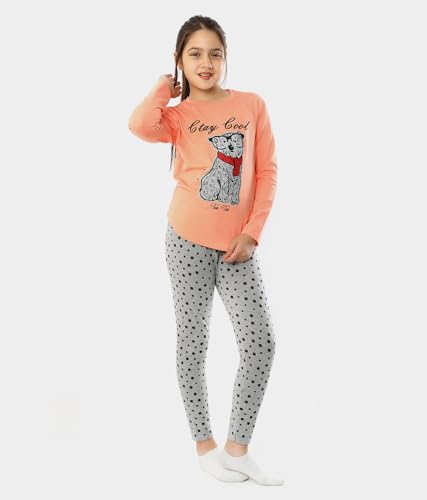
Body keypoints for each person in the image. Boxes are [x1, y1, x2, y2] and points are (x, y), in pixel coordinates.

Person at [128, 15, 284, 486]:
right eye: (194, 53)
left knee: (260, 344)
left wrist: (252, 232)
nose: (206, 62)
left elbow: (267, 172)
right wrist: (165, 86)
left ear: (226, 57)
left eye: (215, 53)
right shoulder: (177, 117)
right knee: (193, 343)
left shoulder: (251, 105)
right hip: (186, 241)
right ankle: (204, 447)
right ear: (180, 60)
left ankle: (237, 449)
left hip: (238, 248)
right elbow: (138, 125)